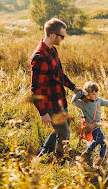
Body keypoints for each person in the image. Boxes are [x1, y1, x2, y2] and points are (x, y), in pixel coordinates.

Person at [30, 18, 81, 164]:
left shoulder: (53, 50)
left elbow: (60, 74)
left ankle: (42, 155)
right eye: (62, 36)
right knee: (64, 133)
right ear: (53, 35)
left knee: (62, 129)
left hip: (60, 100)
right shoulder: (39, 57)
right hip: (50, 104)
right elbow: (35, 90)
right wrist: (43, 112)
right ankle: (60, 164)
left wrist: (73, 87)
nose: (63, 39)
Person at [71, 81, 108, 166]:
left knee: (96, 141)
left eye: (96, 93)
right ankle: (100, 161)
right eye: (93, 94)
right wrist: (80, 92)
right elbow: (73, 101)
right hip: (92, 127)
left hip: (97, 126)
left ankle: (86, 154)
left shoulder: (98, 100)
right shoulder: (83, 104)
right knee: (104, 143)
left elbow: (107, 103)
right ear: (87, 94)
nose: (96, 96)